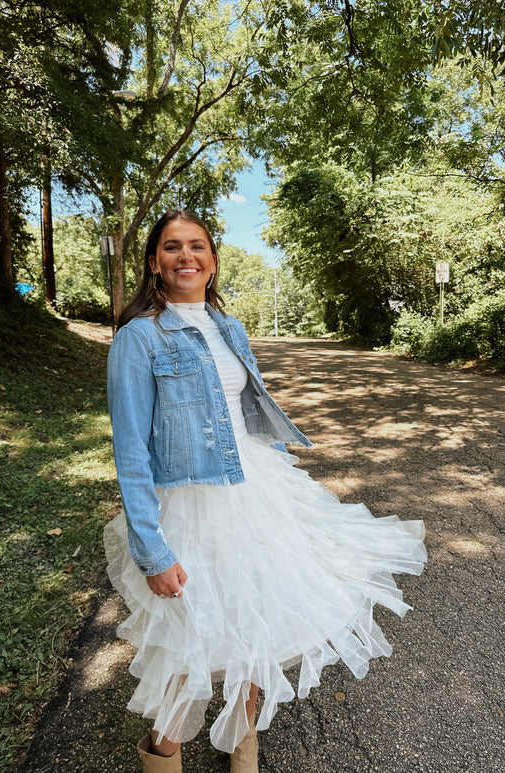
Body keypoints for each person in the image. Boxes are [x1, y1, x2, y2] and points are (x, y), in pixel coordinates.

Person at [104, 208, 426, 773]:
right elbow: (131, 451)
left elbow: (250, 414)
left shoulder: (229, 327)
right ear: (154, 262)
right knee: (190, 646)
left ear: (212, 260)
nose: (187, 257)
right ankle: (164, 756)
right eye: (173, 247)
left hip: (258, 497)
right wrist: (151, 548)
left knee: (257, 628)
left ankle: (243, 750)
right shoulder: (138, 338)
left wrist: (284, 478)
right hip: (190, 507)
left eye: (197, 246)